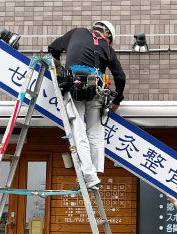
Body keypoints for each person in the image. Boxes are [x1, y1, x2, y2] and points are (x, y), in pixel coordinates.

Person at [48, 21, 126, 190]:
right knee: (95, 131)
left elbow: (53, 48)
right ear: (107, 35)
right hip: (97, 90)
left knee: (78, 130)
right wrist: (117, 101)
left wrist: (57, 69)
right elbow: (120, 77)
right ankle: (95, 173)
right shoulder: (107, 47)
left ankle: (89, 176)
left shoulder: (76, 33)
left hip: (75, 86)